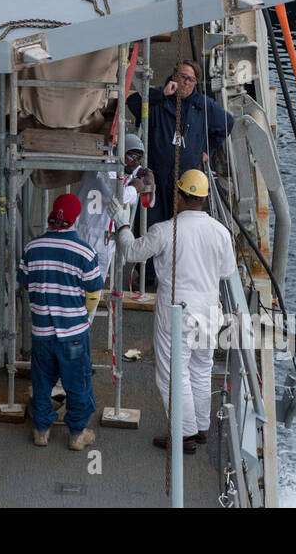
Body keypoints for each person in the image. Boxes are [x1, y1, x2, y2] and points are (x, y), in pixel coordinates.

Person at [115, 169, 237, 454]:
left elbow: (131, 252)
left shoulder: (165, 230)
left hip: (177, 311)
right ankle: (201, 427)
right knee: (201, 368)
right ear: (204, 199)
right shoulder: (220, 232)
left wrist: (122, 225)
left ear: (179, 196)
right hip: (209, 310)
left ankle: (185, 436)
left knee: (173, 374)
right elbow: (227, 272)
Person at [17, 193, 102, 451]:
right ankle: (77, 433)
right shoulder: (85, 251)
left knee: (42, 382)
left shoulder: (32, 248)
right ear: (76, 218)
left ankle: (41, 430)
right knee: (78, 383)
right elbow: (94, 286)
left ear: (51, 216)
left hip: (41, 330)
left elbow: (23, 281)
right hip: (73, 331)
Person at [126, 58, 233, 224]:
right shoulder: (158, 101)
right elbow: (132, 103)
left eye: (191, 79)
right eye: (182, 76)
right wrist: (161, 95)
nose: (186, 82)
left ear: (195, 82)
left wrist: (207, 149)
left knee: (181, 225)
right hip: (156, 178)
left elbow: (227, 123)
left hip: (185, 181)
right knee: (150, 224)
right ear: (174, 76)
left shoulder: (203, 106)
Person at [74, 132, 154, 285]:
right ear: (121, 152)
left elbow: (132, 171)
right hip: (88, 233)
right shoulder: (104, 164)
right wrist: (136, 188)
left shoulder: (122, 165)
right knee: (82, 286)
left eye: (139, 158)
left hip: (105, 237)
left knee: (95, 289)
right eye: (132, 157)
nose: (135, 162)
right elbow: (119, 197)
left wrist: (146, 173)